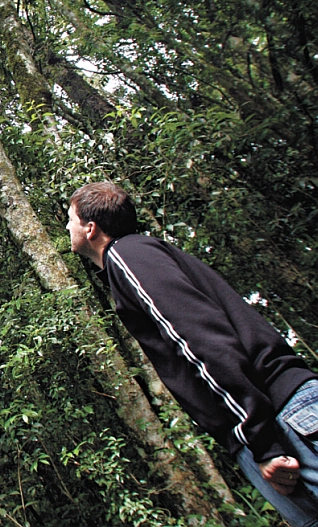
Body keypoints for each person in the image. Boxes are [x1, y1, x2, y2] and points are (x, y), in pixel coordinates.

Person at [67, 181, 318, 526]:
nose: (67, 227)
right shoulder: (139, 257)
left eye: (70, 219)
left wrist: (261, 439)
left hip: (278, 417)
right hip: (275, 419)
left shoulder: (127, 255)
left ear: (90, 228)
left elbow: (198, 339)